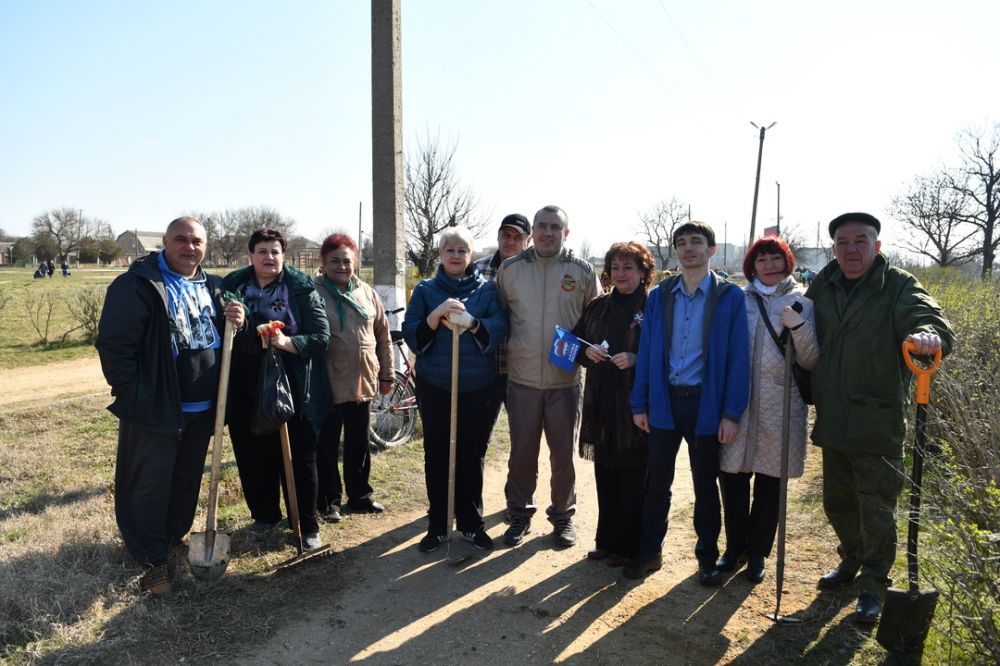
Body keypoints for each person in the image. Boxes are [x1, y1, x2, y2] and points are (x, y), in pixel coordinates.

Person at [806, 212, 955, 624]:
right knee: (837, 504)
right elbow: (799, 320)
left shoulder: (899, 286)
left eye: (861, 240)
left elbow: (932, 321)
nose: (851, 249)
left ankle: (873, 586)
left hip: (878, 419)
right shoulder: (824, 283)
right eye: (843, 242)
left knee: (877, 510)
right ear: (833, 247)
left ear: (877, 245)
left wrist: (929, 336)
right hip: (834, 417)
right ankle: (851, 559)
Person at [96, 216, 245, 597]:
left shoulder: (213, 285)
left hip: (203, 409)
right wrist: (135, 397)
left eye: (196, 241)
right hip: (157, 409)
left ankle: (170, 538)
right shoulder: (139, 286)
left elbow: (230, 327)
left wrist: (240, 319)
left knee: (185, 481)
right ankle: (150, 562)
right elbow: (115, 348)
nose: (189, 247)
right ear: (164, 241)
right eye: (181, 239)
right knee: (149, 485)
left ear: (205, 247)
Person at [625, 221, 749, 586]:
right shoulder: (660, 295)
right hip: (665, 403)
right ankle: (650, 552)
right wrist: (640, 404)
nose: (688, 248)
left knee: (705, 487)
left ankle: (706, 558)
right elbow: (647, 353)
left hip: (705, 407)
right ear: (675, 250)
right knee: (657, 484)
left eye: (697, 242)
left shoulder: (730, 296)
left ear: (712, 249)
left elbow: (738, 359)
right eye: (681, 243)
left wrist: (731, 413)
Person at [495, 205, 598, 548]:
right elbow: (498, 319)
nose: (547, 233)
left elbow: (594, 321)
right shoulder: (510, 270)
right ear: (532, 232)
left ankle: (563, 516)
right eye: (541, 226)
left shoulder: (581, 271)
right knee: (522, 452)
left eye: (555, 227)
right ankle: (519, 514)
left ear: (566, 233)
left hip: (564, 383)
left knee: (562, 455)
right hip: (521, 379)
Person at [222, 229, 331, 551]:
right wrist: (239, 324)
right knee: (253, 454)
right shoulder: (233, 287)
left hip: (293, 384)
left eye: (274, 251)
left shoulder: (299, 288)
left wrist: (287, 342)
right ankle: (265, 516)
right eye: (261, 251)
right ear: (250, 255)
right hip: (246, 383)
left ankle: (306, 523)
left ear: (284, 255)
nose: (268, 257)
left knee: (299, 457)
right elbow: (221, 330)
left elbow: (321, 337)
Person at [718, 237, 819, 584]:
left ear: (787, 262)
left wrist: (799, 326)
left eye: (776, 258)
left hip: (782, 405)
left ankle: (758, 553)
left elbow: (810, 359)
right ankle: (733, 548)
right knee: (731, 479)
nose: (770, 265)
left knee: (770, 484)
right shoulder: (738, 300)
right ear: (752, 266)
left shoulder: (802, 302)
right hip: (739, 405)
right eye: (762, 260)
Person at [402, 226, 508, 552]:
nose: (456, 256)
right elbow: (412, 334)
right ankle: (438, 524)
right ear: (440, 254)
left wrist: (474, 323)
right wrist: (435, 316)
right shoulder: (425, 290)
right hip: (436, 386)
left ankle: (471, 524)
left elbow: (499, 327)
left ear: (471, 255)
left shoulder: (486, 291)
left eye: (463, 250)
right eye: (450, 250)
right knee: (437, 455)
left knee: (470, 455)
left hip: (478, 388)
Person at [572, 241, 654, 568]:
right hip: (601, 400)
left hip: (636, 402)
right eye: (615, 268)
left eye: (628, 267)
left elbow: (666, 352)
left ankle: (627, 545)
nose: (620, 274)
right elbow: (574, 343)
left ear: (643, 271)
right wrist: (585, 352)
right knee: (605, 473)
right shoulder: (597, 306)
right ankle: (605, 541)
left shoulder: (653, 306)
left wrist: (637, 357)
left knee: (633, 477)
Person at [314, 233, 393, 522]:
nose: (342, 266)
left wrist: (386, 374)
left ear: (355, 262)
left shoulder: (366, 292)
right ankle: (329, 501)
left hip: (363, 382)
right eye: (335, 260)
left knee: (359, 444)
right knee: (327, 445)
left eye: (347, 260)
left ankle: (360, 496)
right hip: (329, 382)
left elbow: (382, 335)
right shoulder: (314, 293)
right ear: (323, 263)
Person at [473, 213, 531, 403]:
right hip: (483, 364)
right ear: (498, 237)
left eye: (517, 238)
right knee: (480, 429)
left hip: (520, 368)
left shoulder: (535, 273)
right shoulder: (476, 269)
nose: (510, 241)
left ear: (528, 241)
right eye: (506, 235)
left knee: (523, 430)